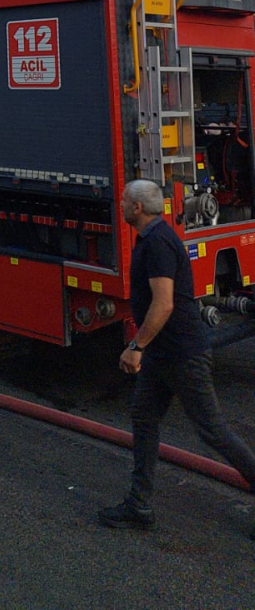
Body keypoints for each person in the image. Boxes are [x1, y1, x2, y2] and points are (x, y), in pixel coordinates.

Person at [98, 178, 255, 532]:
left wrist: (136, 346)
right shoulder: (152, 238)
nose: (119, 205)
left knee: (212, 430)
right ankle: (139, 505)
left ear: (137, 207)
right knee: (143, 417)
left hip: (183, 354)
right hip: (164, 354)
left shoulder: (158, 243)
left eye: (123, 201)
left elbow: (164, 303)